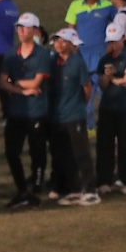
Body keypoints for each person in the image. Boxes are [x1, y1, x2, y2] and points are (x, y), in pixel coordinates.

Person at [0, 13, 52, 208]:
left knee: (37, 151)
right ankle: (22, 189)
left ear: (35, 30)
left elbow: (36, 82)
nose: (21, 31)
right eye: (19, 27)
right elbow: (2, 82)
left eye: (26, 27)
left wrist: (14, 83)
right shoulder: (11, 53)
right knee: (11, 152)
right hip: (16, 111)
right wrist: (23, 90)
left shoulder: (42, 54)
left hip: (36, 111)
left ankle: (36, 189)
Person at [51, 27, 100, 206]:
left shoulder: (77, 62)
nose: (58, 44)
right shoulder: (54, 62)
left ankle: (91, 190)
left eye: (62, 41)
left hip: (74, 115)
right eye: (57, 40)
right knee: (66, 155)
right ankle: (74, 189)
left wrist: (79, 105)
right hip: (59, 116)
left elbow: (87, 88)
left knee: (81, 153)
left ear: (71, 44)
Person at [97, 19, 126, 194]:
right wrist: (106, 77)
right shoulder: (105, 59)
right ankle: (104, 180)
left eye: (115, 41)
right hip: (107, 106)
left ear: (123, 39)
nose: (113, 45)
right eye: (110, 41)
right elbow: (102, 85)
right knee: (105, 144)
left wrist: (113, 78)